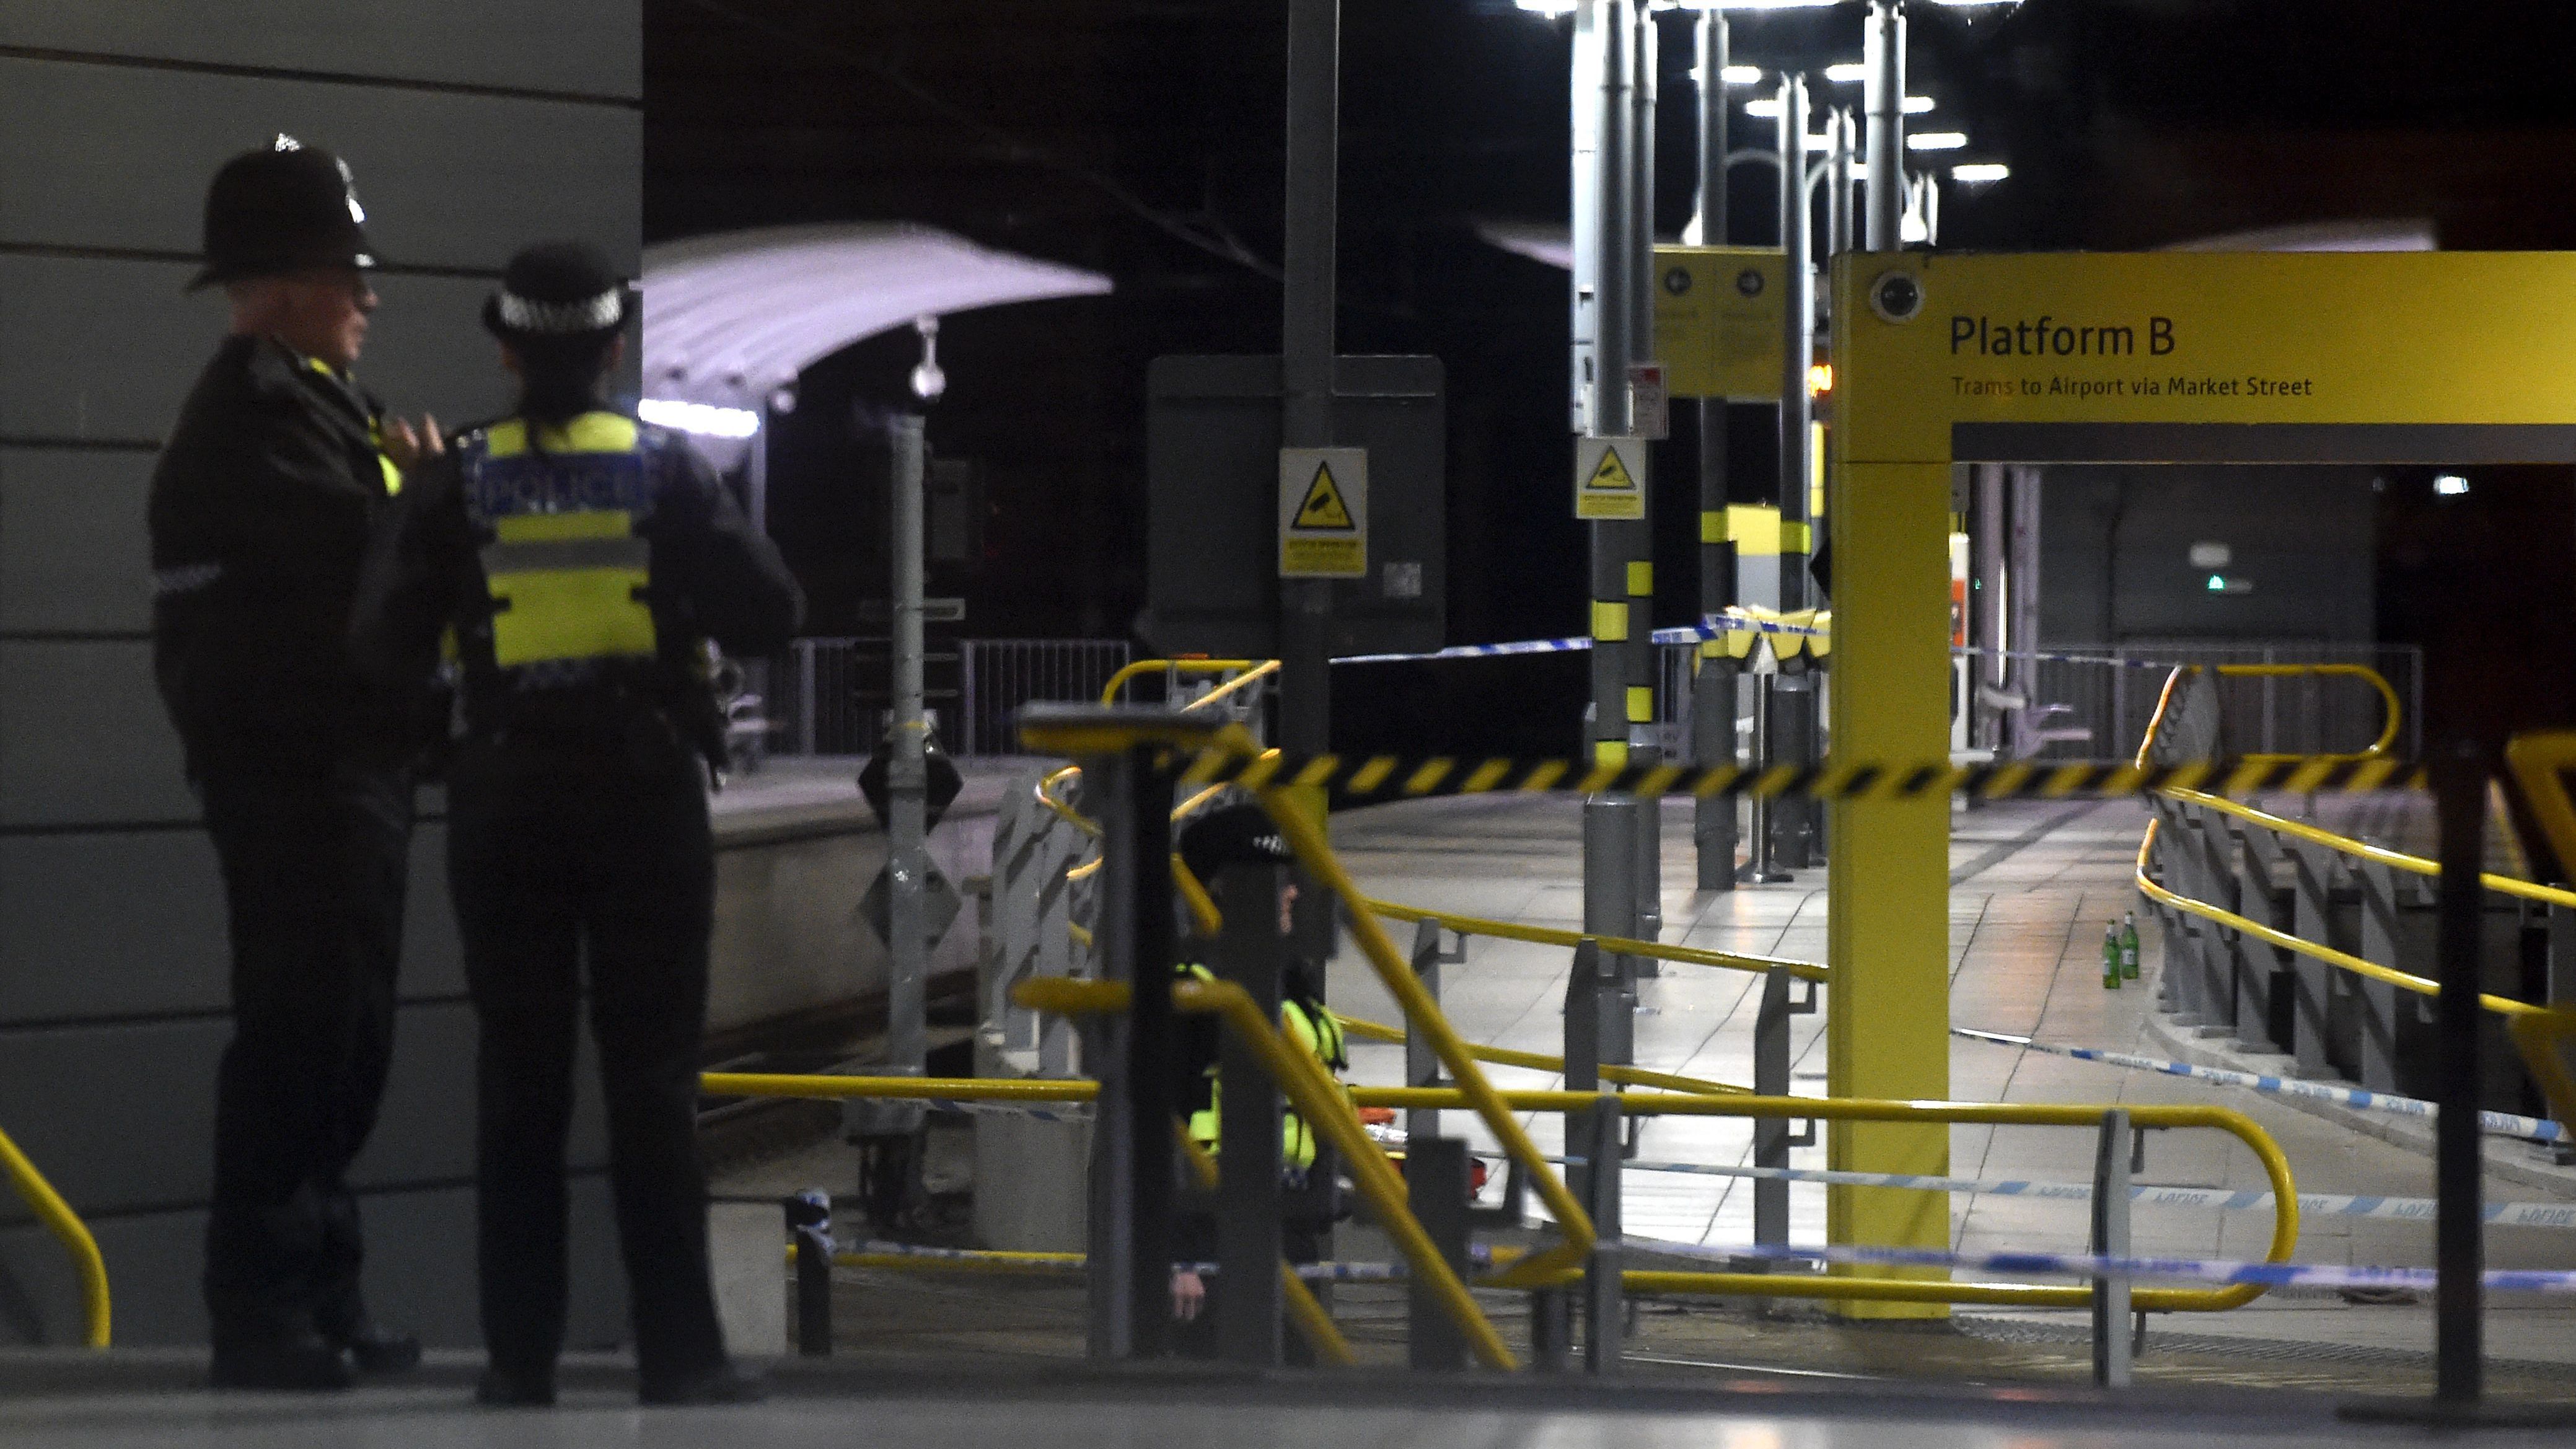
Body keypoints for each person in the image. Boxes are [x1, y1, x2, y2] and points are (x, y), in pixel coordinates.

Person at [350, 240, 803, 1407]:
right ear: (612, 349)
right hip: (644, 794)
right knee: (651, 1078)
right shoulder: (664, 471)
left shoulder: (455, 480)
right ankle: (681, 1355)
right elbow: (772, 610)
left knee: (520, 1081)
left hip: (503, 800)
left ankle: (518, 1361)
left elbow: (378, 647)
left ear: (505, 348)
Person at [151, 137, 441, 1391]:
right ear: (277, 283)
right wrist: (422, 503)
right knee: (299, 1035)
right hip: (295, 782)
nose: (367, 294)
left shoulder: (322, 408)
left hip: (349, 774)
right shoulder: (251, 426)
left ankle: (321, 1293)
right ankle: (261, 1311)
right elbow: (346, 568)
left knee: (346, 1038)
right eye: (346, 271)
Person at [1165, 804, 1347, 1359]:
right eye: (1277, 882)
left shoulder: (1286, 982)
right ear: (1222, 891)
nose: (1292, 894)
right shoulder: (1191, 994)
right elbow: (1152, 1125)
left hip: (1288, 1219)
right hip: (1213, 1230)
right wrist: (1177, 1257)